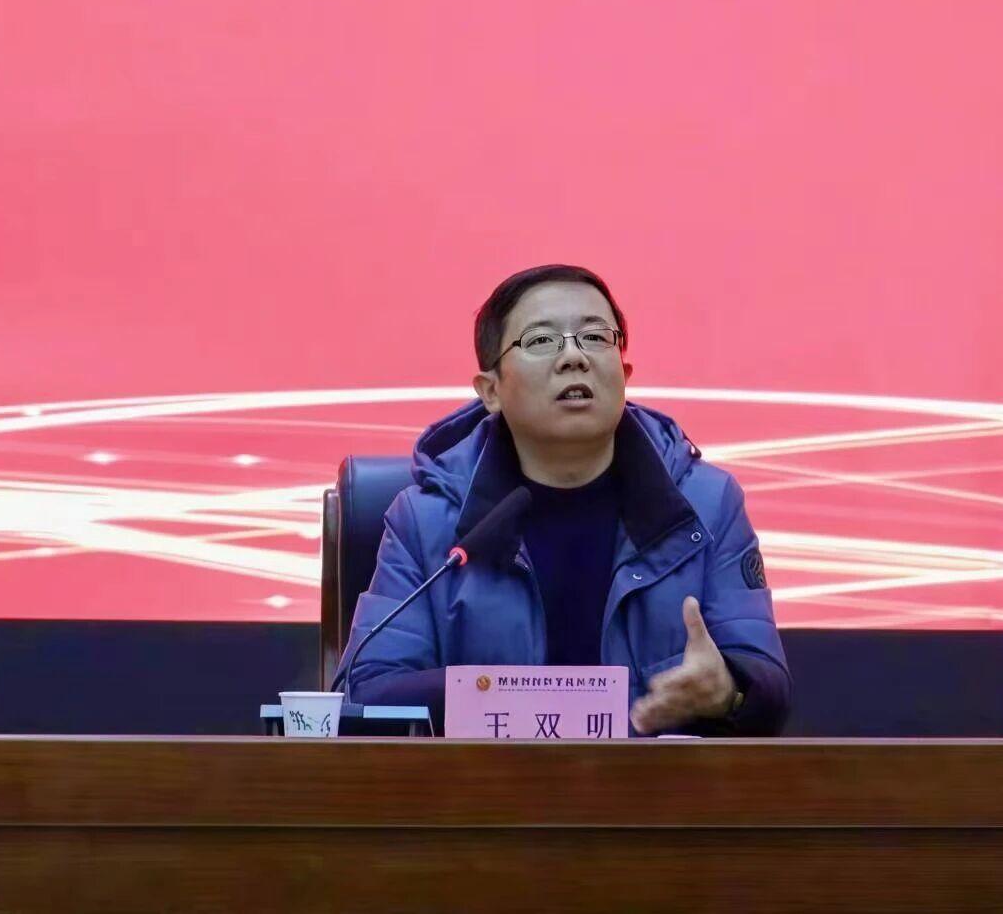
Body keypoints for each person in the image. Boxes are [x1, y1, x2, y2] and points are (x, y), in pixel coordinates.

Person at [334, 264, 791, 735]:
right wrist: (519, 701)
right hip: (485, 781)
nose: (574, 357)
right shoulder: (425, 520)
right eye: (541, 340)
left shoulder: (707, 505)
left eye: (595, 337)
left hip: (657, 782)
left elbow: (767, 686)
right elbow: (369, 691)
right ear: (491, 390)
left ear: (624, 374)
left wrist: (729, 690)